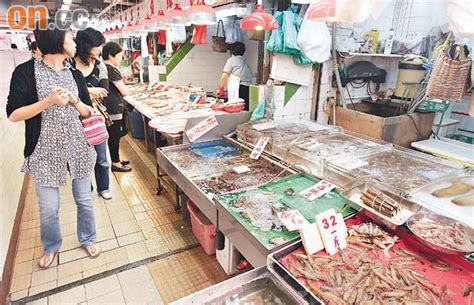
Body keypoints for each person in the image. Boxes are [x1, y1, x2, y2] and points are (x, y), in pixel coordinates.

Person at [6, 24, 102, 269]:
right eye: (71, 37)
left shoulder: (76, 74)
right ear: (56, 39)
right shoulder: (25, 72)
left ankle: (88, 238)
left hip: (78, 147)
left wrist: (75, 100)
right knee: (49, 207)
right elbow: (14, 114)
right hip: (43, 152)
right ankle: (51, 246)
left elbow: (87, 112)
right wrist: (48, 101)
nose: (75, 42)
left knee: (85, 199)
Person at [72, 28, 114, 200]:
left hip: (96, 118)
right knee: (81, 157)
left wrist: (95, 92)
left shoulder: (99, 65)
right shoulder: (69, 65)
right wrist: (89, 91)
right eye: (97, 45)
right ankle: (85, 187)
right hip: (75, 118)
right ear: (86, 45)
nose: (100, 49)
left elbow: (105, 89)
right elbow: (69, 92)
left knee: (102, 157)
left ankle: (103, 187)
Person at [102, 42, 132, 172]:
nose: (121, 58)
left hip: (109, 107)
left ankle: (116, 159)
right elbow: (124, 91)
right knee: (115, 136)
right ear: (111, 55)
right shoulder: (111, 69)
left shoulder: (103, 67)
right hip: (114, 108)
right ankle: (116, 163)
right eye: (119, 56)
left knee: (114, 135)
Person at [219, 42, 253, 110]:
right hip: (249, 89)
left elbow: (224, 76)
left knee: (236, 109)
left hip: (239, 89)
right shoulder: (244, 62)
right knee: (245, 109)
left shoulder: (231, 60)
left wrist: (221, 90)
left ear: (231, 51)